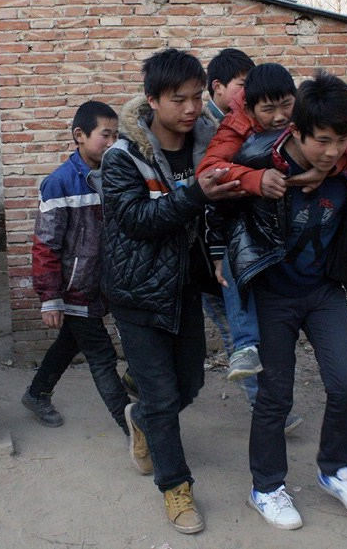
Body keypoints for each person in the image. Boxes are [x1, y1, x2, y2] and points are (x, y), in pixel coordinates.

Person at [225, 71, 347, 530]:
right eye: (322, 141)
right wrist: (223, 259)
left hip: (323, 291)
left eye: (341, 140)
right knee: (275, 396)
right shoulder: (259, 164)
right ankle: (267, 487)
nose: (332, 151)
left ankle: (335, 470)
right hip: (272, 295)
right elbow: (223, 213)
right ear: (295, 131)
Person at [199, 63, 347, 382]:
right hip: (261, 247)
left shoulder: (319, 131)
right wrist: (255, 180)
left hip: (317, 262)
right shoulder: (240, 136)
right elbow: (211, 180)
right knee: (237, 266)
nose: (278, 116)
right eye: (268, 109)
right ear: (249, 108)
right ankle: (244, 345)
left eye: (285, 106)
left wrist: (326, 169)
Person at [100, 48, 243, 534]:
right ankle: (176, 488)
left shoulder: (210, 144)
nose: (190, 108)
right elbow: (139, 220)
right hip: (136, 291)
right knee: (163, 396)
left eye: (197, 98)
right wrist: (196, 193)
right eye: (178, 99)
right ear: (152, 99)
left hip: (185, 288)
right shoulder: (124, 157)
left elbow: (222, 208)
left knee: (189, 386)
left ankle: (139, 418)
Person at [198, 49, 302, 433]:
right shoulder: (209, 127)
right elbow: (209, 181)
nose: (249, 95)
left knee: (243, 327)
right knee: (237, 331)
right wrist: (216, 249)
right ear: (220, 87)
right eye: (244, 86)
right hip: (216, 240)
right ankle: (267, 408)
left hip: (246, 238)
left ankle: (268, 406)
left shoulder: (258, 122)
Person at [22, 100, 131, 435]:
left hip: (106, 283)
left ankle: (37, 393)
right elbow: (45, 245)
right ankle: (135, 430)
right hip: (75, 288)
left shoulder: (114, 176)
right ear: (80, 136)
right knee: (102, 356)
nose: (112, 143)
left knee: (71, 341)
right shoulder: (60, 183)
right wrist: (50, 297)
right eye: (105, 135)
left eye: (116, 135)